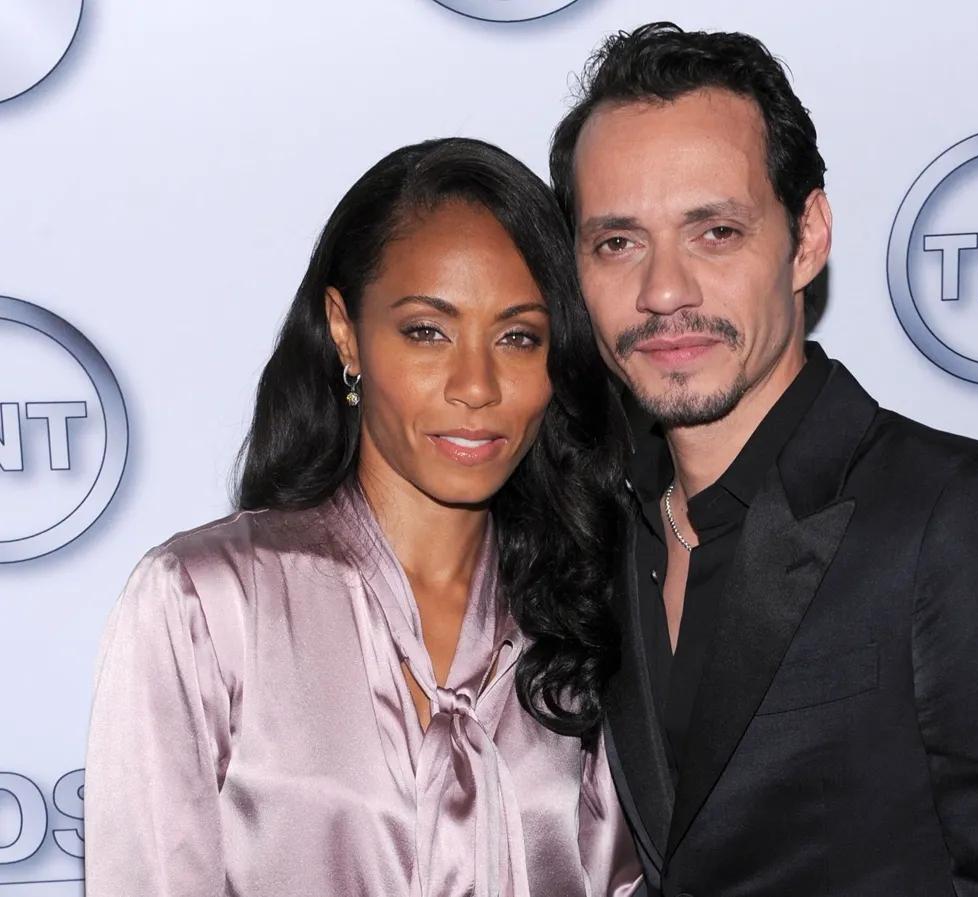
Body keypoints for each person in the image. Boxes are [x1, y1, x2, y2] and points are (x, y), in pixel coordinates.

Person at [549, 22, 978, 897]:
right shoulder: (594, 532)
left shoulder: (959, 518)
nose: (663, 291)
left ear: (809, 235)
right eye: (618, 242)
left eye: (713, 231)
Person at [83, 137, 642, 897]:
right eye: (427, 330)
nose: (476, 384)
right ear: (346, 331)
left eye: (518, 337)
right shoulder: (204, 605)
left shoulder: (586, 621)